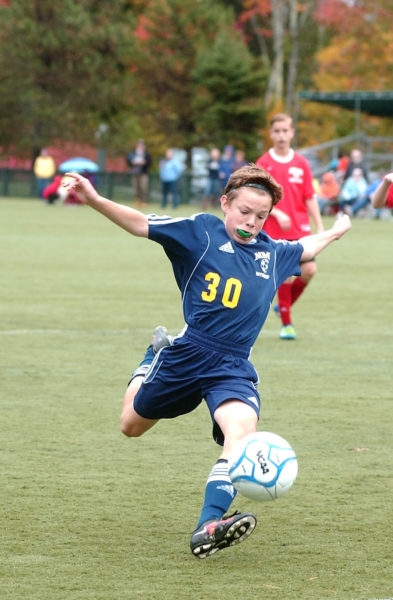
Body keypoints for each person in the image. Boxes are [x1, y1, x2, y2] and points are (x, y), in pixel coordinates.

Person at [63, 165, 351, 558]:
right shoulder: (200, 231)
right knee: (131, 425)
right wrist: (94, 200)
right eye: (244, 211)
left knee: (242, 431)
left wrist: (336, 230)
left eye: (261, 215)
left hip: (232, 367)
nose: (251, 222)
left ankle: (208, 525)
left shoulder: (273, 253)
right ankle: (152, 356)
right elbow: (139, 223)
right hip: (187, 354)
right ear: (225, 204)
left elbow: (306, 247)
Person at [256, 113, 324, 340]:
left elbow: (309, 196)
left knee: (309, 271)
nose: (281, 135)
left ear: (292, 133)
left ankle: (283, 305)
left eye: (285, 131)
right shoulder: (264, 163)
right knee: (285, 275)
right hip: (275, 230)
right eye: (277, 131)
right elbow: (257, 196)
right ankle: (287, 324)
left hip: (301, 229)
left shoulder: (301, 163)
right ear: (271, 134)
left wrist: (320, 224)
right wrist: (276, 211)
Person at [126, 139, 152, 207]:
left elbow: (150, 162)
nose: (140, 146)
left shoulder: (146, 154)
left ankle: (144, 201)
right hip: (135, 173)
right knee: (136, 188)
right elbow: (128, 161)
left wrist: (144, 162)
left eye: (141, 145)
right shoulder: (133, 153)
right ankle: (138, 201)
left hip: (143, 173)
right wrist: (132, 162)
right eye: (139, 145)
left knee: (143, 188)